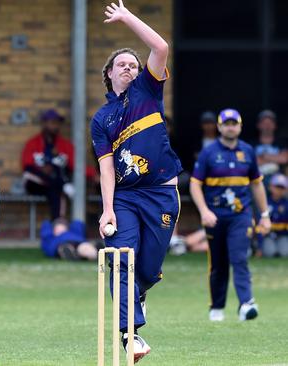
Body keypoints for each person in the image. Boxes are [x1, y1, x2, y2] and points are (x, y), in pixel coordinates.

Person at [89, 1, 183, 361]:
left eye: (133, 64)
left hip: (161, 193)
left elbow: (160, 48)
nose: (129, 68)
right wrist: (108, 209)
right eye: (122, 65)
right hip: (126, 197)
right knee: (119, 259)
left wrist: (127, 17)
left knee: (147, 269)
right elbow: (107, 168)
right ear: (109, 74)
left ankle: (137, 294)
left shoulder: (148, 90)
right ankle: (132, 336)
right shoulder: (102, 119)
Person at [189, 108, 271, 322]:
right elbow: (195, 185)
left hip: (240, 216)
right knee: (218, 264)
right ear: (219, 127)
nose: (231, 127)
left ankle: (247, 304)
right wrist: (204, 211)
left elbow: (257, 185)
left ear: (240, 127)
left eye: (234, 123)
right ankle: (216, 307)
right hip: (215, 217)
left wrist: (264, 214)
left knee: (239, 258)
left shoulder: (248, 152)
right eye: (227, 124)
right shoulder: (209, 153)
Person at [21, 108, 96, 220]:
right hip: (36, 183)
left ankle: (57, 225)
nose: (55, 126)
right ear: (44, 123)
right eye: (52, 123)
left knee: (57, 190)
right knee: (58, 185)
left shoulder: (65, 145)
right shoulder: (33, 143)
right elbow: (27, 166)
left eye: (57, 123)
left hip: (54, 184)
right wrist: (42, 169)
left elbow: (76, 166)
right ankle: (63, 186)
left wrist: (96, 174)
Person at [253, 110, 288, 179]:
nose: (267, 126)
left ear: (275, 125)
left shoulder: (283, 143)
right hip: (257, 179)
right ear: (258, 125)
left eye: (270, 123)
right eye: (264, 123)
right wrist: (276, 158)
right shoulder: (252, 144)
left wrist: (263, 156)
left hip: (279, 180)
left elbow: (285, 158)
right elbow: (250, 162)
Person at [261, 173, 288, 257]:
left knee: (284, 253)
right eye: (277, 187)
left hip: (283, 235)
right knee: (270, 252)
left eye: (281, 188)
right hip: (268, 235)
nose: (279, 190)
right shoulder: (265, 202)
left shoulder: (286, 203)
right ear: (270, 187)